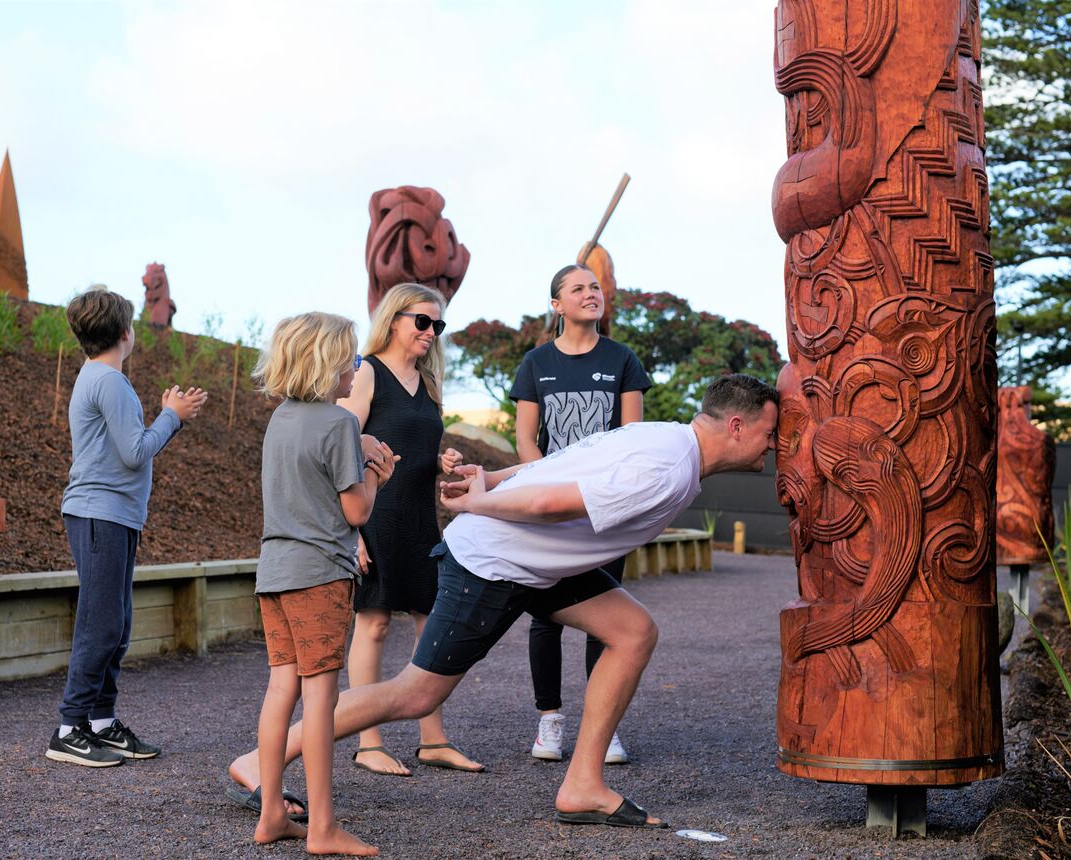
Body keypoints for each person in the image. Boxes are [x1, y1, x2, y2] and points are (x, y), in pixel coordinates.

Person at [228, 374, 779, 828]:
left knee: (632, 631)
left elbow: (556, 465)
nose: (774, 445)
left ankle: (583, 785)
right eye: (770, 432)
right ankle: (259, 762)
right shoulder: (667, 467)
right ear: (736, 425)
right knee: (415, 695)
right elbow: (549, 503)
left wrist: (490, 478)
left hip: (540, 562)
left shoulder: (664, 437)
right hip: (494, 559)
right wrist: (481, 504)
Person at [233, 312, 395, 856]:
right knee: (321, 700)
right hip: (320, 576)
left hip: (274, 573)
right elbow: (356, 511)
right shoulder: (338, 423)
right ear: (329, 364)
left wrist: (357, 446)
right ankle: (323, 828)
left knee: (281, 688)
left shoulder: (280, 418)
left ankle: (271, 814)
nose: (356, 368)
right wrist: (376, 473)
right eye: (352, 359)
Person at [46, 287, 207, 768]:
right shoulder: (110, 381)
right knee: (102, 624)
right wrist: (172, 417)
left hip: (112, 514)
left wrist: (166, 415)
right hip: (100, 513)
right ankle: (69, 728)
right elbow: (135, 451)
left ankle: (101, 721)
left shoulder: (96, 376)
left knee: (116, 624)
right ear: (124, 333)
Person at [337, 283, 482, 776]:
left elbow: (409, 443)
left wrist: (441, 461)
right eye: (422, 321)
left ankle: (433, 740)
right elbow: (340, 445)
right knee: (374, 624)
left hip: (420, 519)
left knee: (431, 627)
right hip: (375, 514)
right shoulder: (366, 372)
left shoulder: (429, 380)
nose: (431, 331)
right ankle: (368, 743)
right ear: (393, 319)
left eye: (437, 324)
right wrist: (351, 529)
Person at [511, 263, 651, 764]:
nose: (591, 293)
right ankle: (549, 722)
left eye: (595, 287)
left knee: (604, 619)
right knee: (545, 617)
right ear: (557, 304)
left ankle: (602, 727)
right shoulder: (536, 363)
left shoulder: (622, 360)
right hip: (552, 508)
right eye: (578, 288)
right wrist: (550, 492)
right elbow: (526, 440)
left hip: (604, 509)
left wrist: (601, 496)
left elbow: (631, 440)